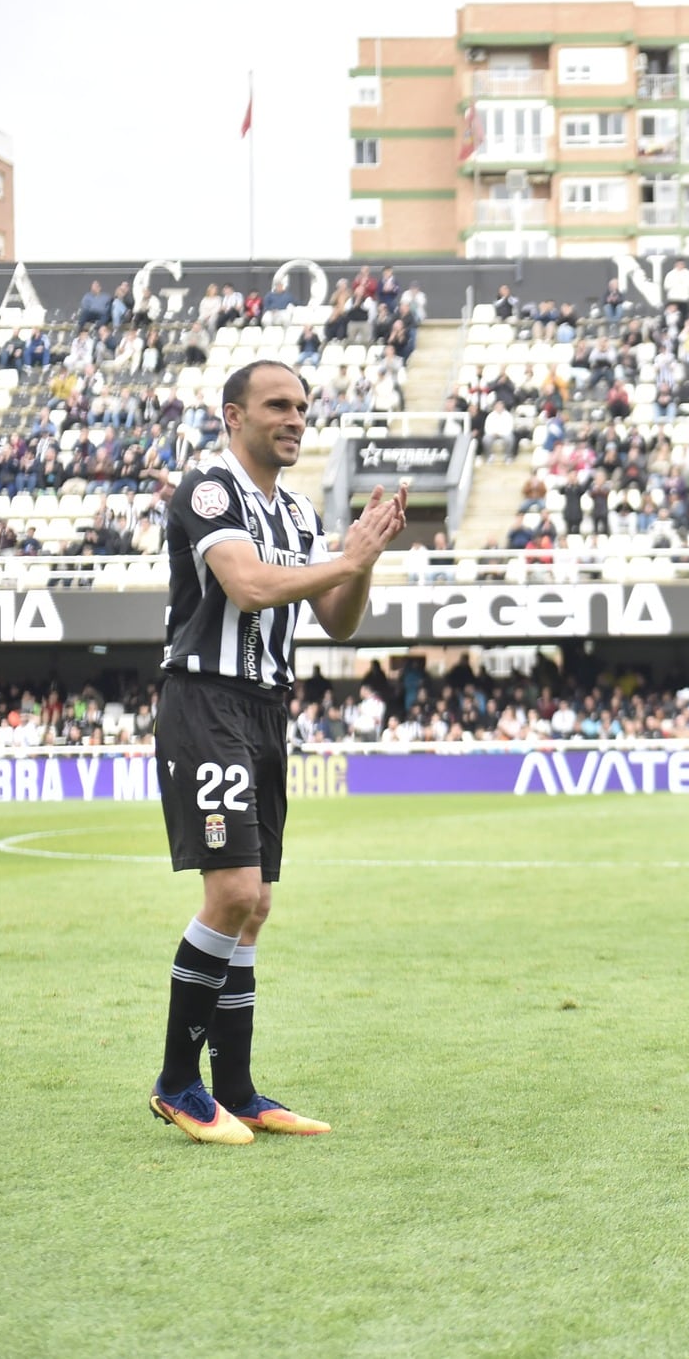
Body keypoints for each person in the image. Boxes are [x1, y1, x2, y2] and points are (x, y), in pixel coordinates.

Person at [148, 359, 407, 1144]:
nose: (295, 418)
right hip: (206, 704)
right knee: (229, 894)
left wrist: (362, 561)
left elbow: (338, 618)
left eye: (302, 406)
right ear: (234, 416)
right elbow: (251, 586)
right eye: (277, 405)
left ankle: (239, 1088)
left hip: (266, 711)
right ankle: (176, 1082)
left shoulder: (294, 511)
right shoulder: (208, 491)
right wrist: (348, 557)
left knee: (255, 905)